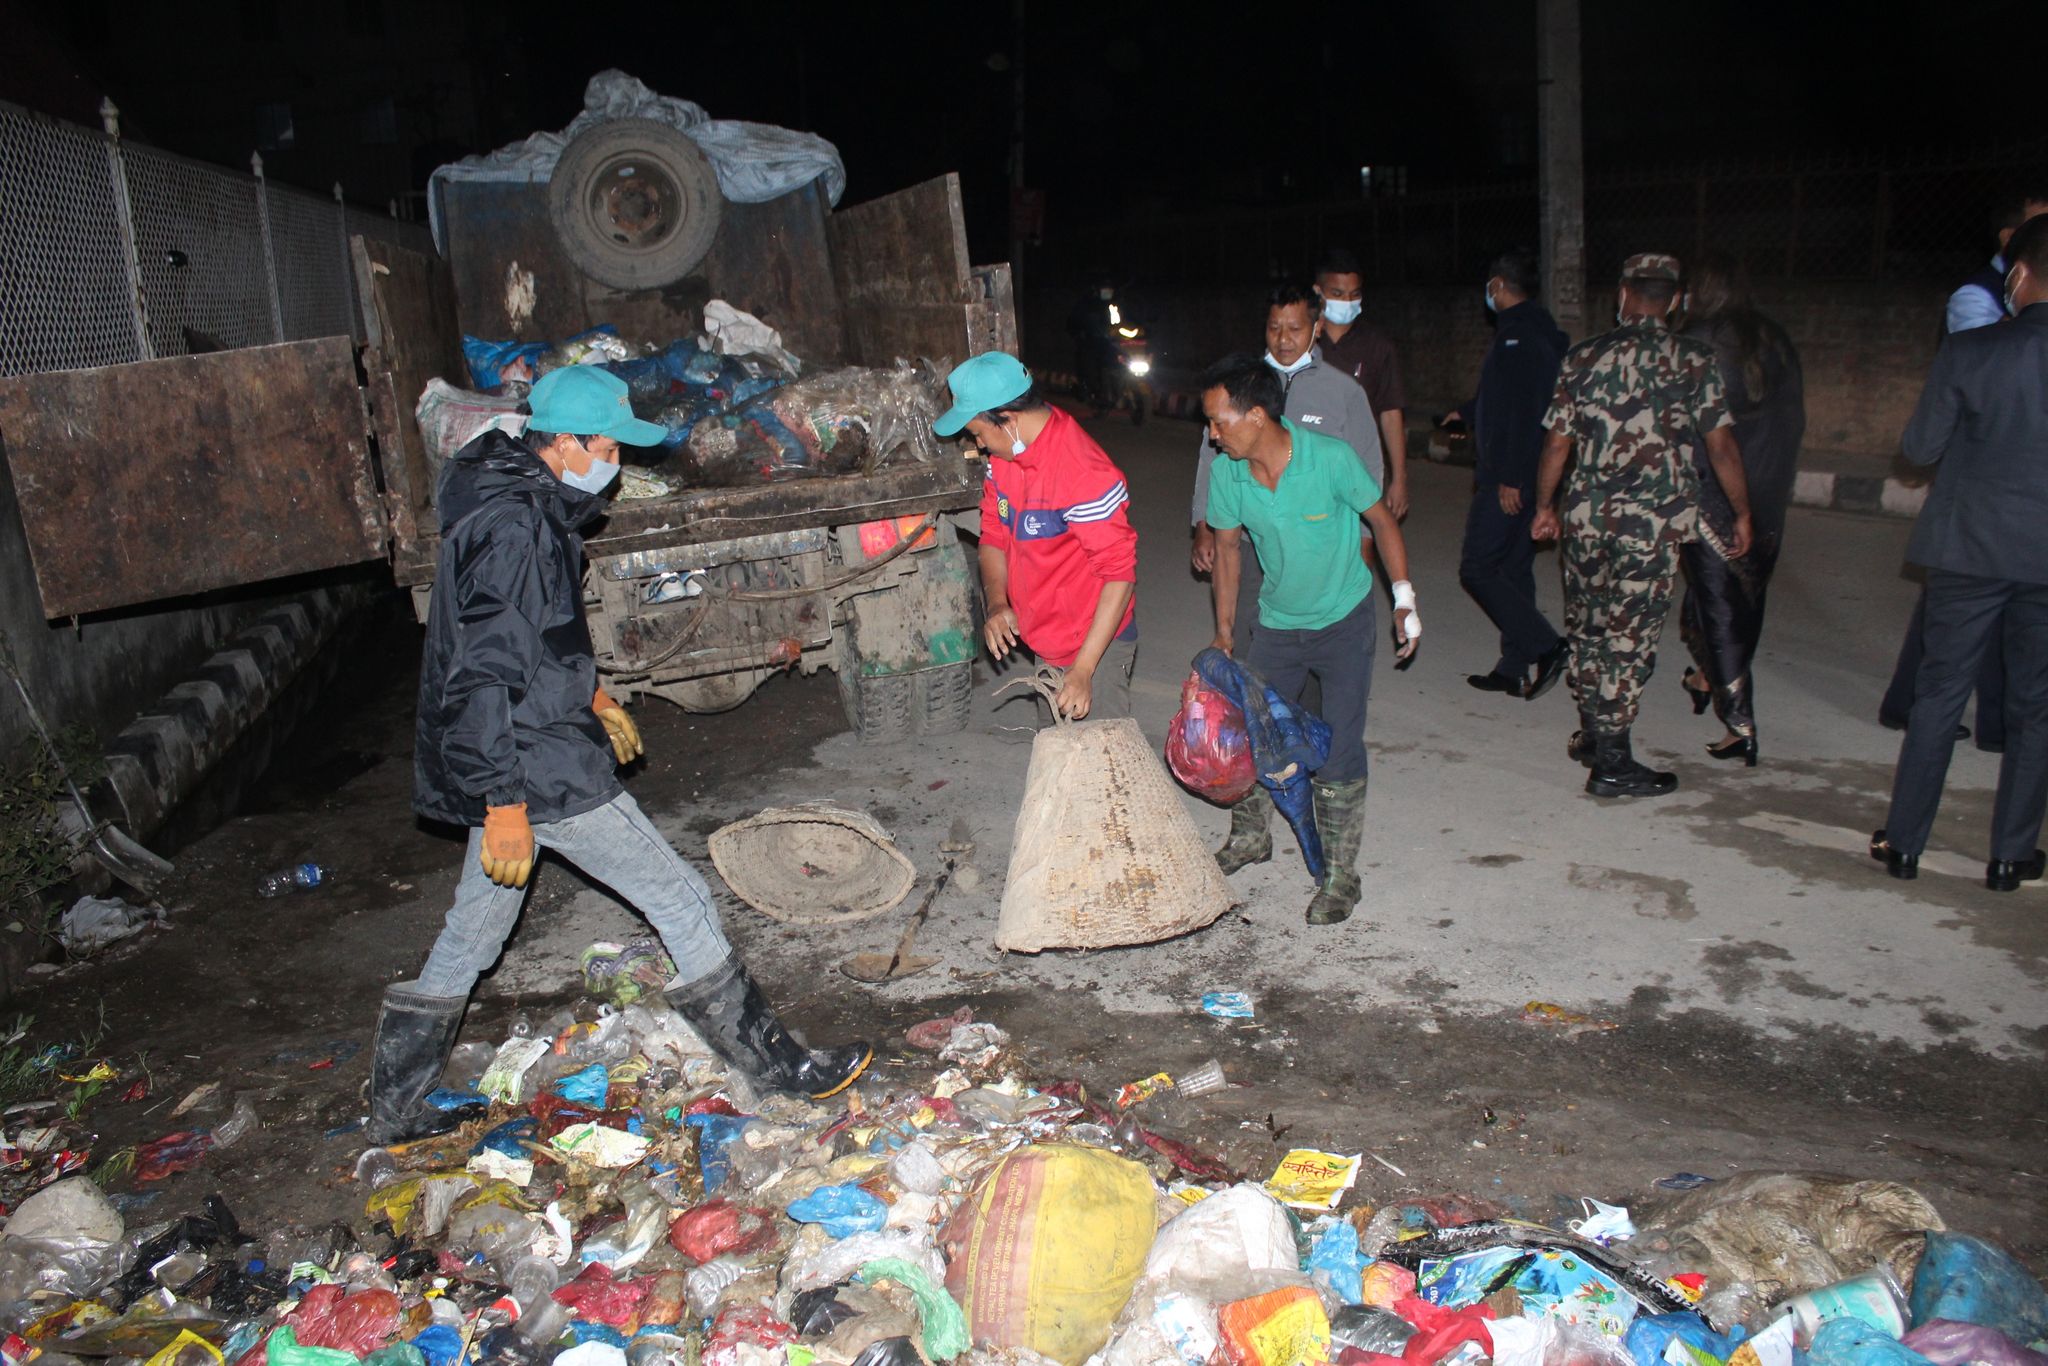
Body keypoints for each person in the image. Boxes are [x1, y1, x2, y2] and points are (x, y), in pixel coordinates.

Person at [370, 367, 870, 1145]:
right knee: (680, 899)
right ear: (562, 444)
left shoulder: (520, 499)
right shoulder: (514, 527)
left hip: (524, 746)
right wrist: (503, 801)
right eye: (605, 444)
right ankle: (780, 1073)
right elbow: (483, 675)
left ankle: (397, 1107)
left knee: (475, 930)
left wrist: (593, 693)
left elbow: (532, 639)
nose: (615, 460)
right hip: (536, 766)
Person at [1200, 353, 1419, 926]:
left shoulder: (1330, 459)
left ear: (1256, 416)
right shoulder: (1228, 474)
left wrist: (1403, 599)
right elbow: (1226, 552)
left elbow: (1382, 520)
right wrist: (1224, 633)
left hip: (1344, 621)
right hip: (1277, 623)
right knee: (1251, 736)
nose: (1211, 433)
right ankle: (1252, 838)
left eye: (1219, 421)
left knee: (1340, 749)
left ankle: (1342, 877)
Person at [1529, 252, 1753, 799]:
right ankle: (1612, 762)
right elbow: (1721, 446)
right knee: (1629, 641)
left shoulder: (1582, 357)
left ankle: (1593, 732)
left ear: (1622, 295)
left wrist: (1544, 507)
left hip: (1586, 520)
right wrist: (1743, 512)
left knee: (1588, 626)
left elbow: (1557, 444)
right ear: (1676, 300)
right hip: (1649, 529)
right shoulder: (1695, 360)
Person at [1872, 213, 2048, 891]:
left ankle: (1905, 845)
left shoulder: (1975, 351)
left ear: (2021, 275)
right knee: (2036, 707)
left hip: (1969, 548)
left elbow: (1918, 451)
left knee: (1941, 693)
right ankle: (2011, 857)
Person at [937, 351, 1138, 720]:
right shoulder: (1004, 460)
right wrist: (998, 603)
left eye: (978, 434)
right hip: (1047, 641)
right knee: (1059, 762)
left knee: (1101, 768)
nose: (979, 446)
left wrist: (1084, 670)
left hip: (1094, 647)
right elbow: (994, 536)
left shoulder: (1082, 473)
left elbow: (1119, 576)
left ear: (1007, 420)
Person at [1190, 283, 1384, 649]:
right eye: (1274, 327)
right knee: (1248, 645)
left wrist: (1365, 539)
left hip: (1319, 544)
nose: (1282, 339)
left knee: (1312, 646)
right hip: (1250, 537)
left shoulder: (1343, 393)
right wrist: (1204, 523)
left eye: (1294, 329)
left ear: (1317, 328)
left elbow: (1368, 466)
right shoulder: (1238, 386)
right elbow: (1210, 455)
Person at [1676, 253, 1806, 766]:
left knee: (1720, 605)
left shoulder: (1700, 342)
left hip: (1721, 495)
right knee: (1738, 597)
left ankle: (1740, 725)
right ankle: (1706, 676)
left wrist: (1737, 505)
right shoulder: (1774, 337)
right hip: (1770, 488)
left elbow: (1714, 439)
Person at [1449, 248, 1570, 699]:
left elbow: (1528, 413)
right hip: (1526, 472)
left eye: (1490, 287)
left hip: (1511, 475)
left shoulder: (1519, 336)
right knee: (1514, 568)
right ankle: (1513, 666)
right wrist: (1464, 413)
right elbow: (1501, 400)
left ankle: (1547, 645)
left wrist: (1511, 478)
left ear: (1498, 286)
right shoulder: (1537, 331)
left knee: (1477, 567)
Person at [1314, 250, 1410, 518]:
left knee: (1361, 551)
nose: (1347, 301)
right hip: (1307, 468)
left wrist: (1399, 479)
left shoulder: (1378, 347)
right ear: (1318, 291)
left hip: (1360, 467)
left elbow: (1391, 414)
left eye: (1354, 294)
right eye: (1337, 293)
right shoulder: (1300, 342)